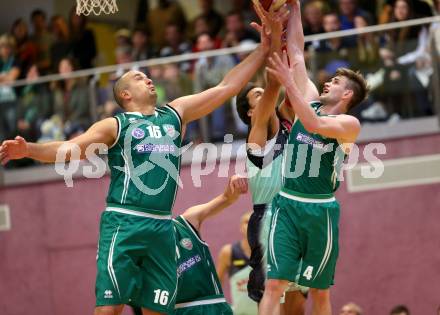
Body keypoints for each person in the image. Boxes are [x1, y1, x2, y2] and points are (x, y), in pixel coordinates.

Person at [0, 15, 271, 315]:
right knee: (109, 310)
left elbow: (225, 87)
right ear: (125, 94)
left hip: (161, 226)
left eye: (147, 75)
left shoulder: (174, 114)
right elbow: (69, 151)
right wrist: (29, 149)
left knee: (158, 311)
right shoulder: (116, 125)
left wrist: (264, 49)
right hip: (125, 222)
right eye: (139, 78)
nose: (148, 78)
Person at [259, 1, 369, 314]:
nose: (327, 82)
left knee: (319, 292)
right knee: (274, 285)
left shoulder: (349, 125)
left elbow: (314, 124)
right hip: (286, 204)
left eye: (335, 82)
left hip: (320, 212)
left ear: (347, 95)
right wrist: (294, 7)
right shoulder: (308, 99)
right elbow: (295, 50)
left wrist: (289, 83)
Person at [235, 2, 308, 315]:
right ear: (252, 112)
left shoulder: (289, 121)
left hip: (297, 213)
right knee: (273, 300)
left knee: (298, 299)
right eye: (257, 96)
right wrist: (274, 37)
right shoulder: (258, 132)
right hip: (269, 219)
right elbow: (276, 83)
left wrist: (292, 14)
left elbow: (297, 61)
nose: (264, 97)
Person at [174, 175, 248, 315]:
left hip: (212, 307)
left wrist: (234, 183)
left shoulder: (186, 222)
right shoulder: (141, 242)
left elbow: (227, 197)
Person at [217, 212, 258, 315]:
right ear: (240, 227)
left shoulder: (270, 253)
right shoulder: (228, 252)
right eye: (247, 222)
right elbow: (216, 286)